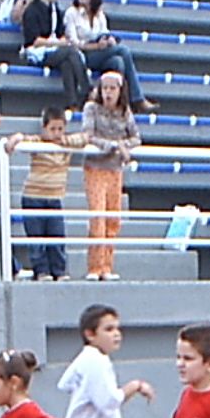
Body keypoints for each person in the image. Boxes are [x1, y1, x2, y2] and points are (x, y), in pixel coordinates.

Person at [8, 104, 84, 282]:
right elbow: (23, 141)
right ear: (44, 129)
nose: (56, 133)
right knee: (37, 239)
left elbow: (85, 138)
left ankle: (59, 270)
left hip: (54, 198)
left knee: (57, 236)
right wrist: (17, 137)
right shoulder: (38, 144)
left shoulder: (66, 145)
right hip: (33, 197)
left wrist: (67, 140)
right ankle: (41, 271)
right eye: (52, 129)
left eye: (60, 129)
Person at [61, 0, 153, 111]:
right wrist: (96, 46)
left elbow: (104, 33)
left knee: (118, 62)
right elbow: (73, 43)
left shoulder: (100, 15)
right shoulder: (72, 13)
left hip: (100, 52)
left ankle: (117, 104)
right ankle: (137, 98)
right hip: (83, 53)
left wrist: (109, 40)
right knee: (124, 51)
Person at [81, 69, 138, 282]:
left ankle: (107, 266)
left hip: (115, 169)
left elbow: (136, 137)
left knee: (113, 218)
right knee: (98, 217)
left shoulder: (125, 111)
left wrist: (124, 145)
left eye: (112, 88)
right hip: (95, 168)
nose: (108, 93)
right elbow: (88, 135)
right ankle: (95, 266)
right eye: (105, 88)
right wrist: (113, 146)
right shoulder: (91, 108)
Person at [20, 0, 90, 105]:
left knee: (67, 64)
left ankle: (73, 103)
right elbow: (34, 41)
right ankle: (87, 89)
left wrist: (61, 40)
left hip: (53, 50)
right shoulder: (31, 11)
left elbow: (60, 33)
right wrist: (58, 42)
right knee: (70, 52)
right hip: (37, 53)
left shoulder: (55, 9)